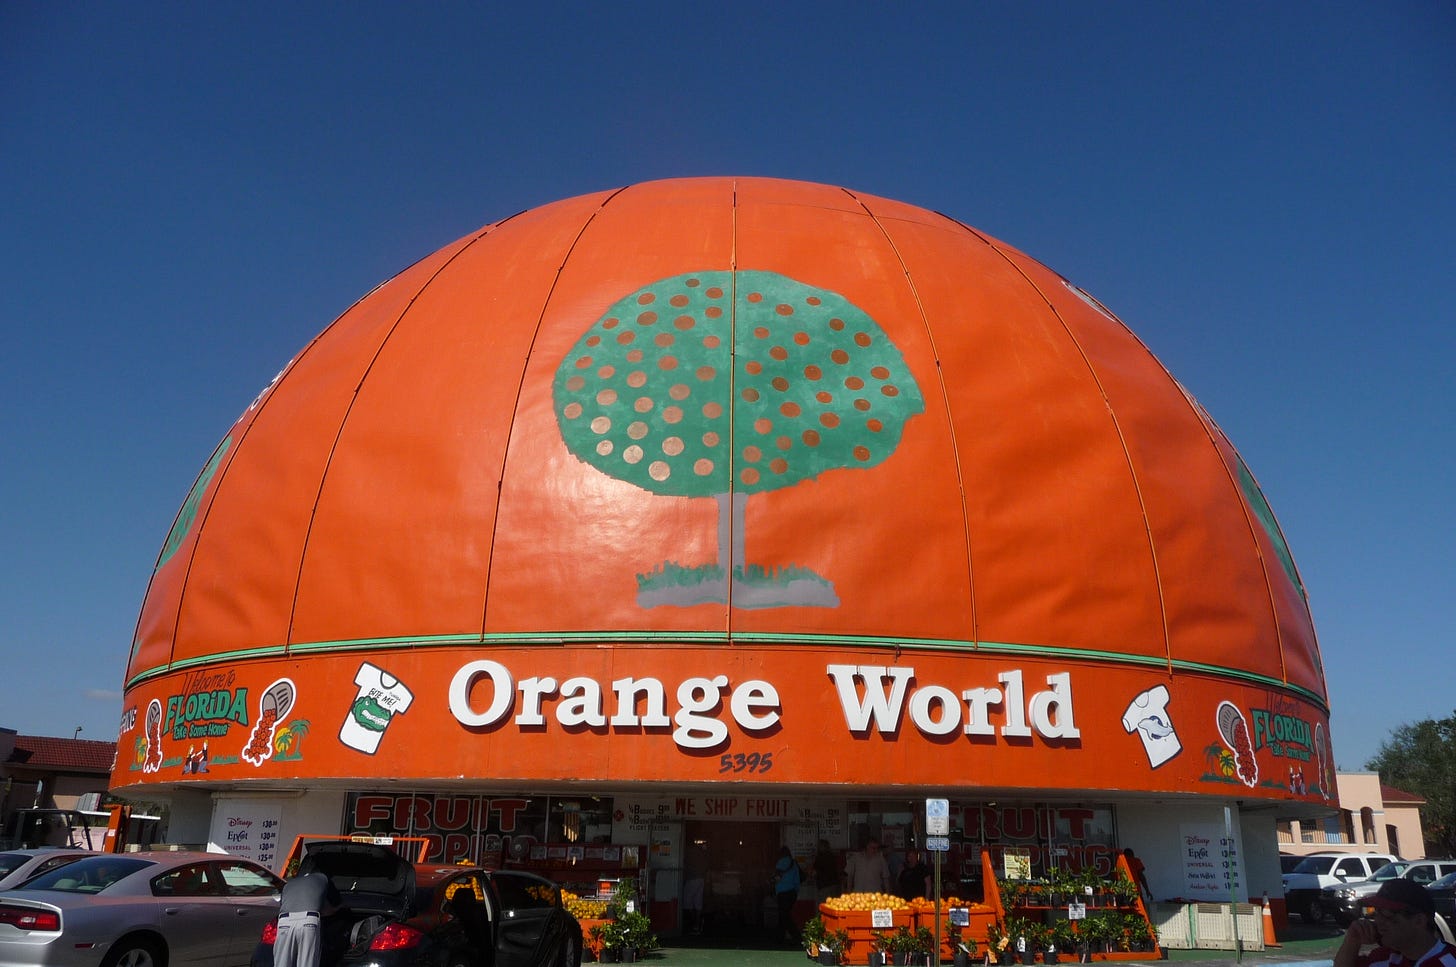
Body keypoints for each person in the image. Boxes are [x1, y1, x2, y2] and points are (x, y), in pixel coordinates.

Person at [1334, 878, 1456, 967]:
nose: (1378, 921)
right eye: (1376, 912)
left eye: (1387, 914)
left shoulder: (1449, 962)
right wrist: (1352, 941)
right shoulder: (1383, 958)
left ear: (1419, 921)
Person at [274, 869, 343, 967]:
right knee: (306, 962)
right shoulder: (323, 878)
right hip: (308, 921)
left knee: (282, 963)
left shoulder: (289, 884)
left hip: (284, 921)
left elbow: (284, 905)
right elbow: (336, 904)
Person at [772, 846, 802, 943]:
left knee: (784, 916)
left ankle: (796, 936)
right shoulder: (794, 863)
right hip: (792, 892)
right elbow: (797, 878)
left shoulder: (780, 863)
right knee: (785, 914)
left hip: (782, 892)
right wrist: (796, 890)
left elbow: (776, 878)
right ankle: (780, 936)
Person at [682, 839, 708, 935]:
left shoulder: (688, 851)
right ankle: (697, 925)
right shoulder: (702, 853)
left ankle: (694, 924)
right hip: (700, 879)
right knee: (697, 903)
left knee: (686, 903)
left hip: (692, 879)